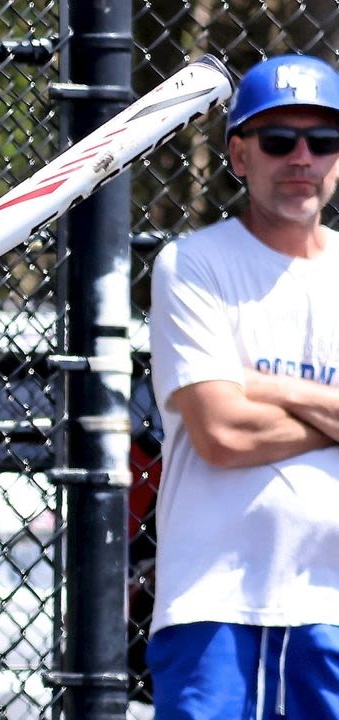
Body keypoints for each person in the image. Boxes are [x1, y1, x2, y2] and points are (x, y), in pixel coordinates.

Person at [147, 54, 339, 718]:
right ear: (239, 153)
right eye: (279, 140)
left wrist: (267, 384)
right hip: (215, 605)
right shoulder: (193, 266)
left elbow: (241, 411)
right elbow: (223, 433)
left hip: (332, 609)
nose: (302, 158)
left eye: (322, 141)